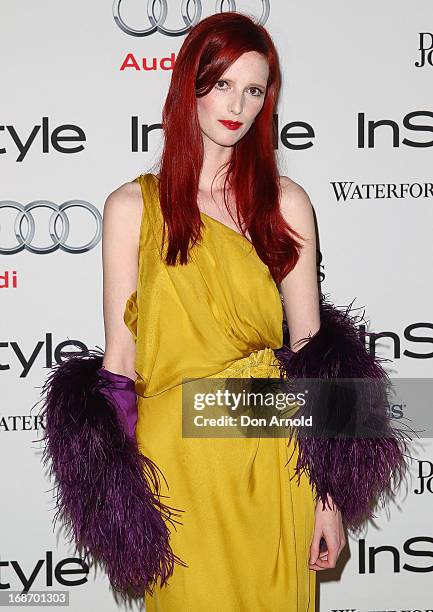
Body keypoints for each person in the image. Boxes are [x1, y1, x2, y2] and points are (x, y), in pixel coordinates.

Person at [39, 11, 408, 612]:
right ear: (191, 85)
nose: (237, 103)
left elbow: (315, 353)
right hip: (178, 469)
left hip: (275, 457)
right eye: (222, 83)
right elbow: (122, 358)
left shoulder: (285, 203)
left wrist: (329, 494)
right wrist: (123, 500)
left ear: (268, 101)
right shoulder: (131, 207)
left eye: (254, 89)